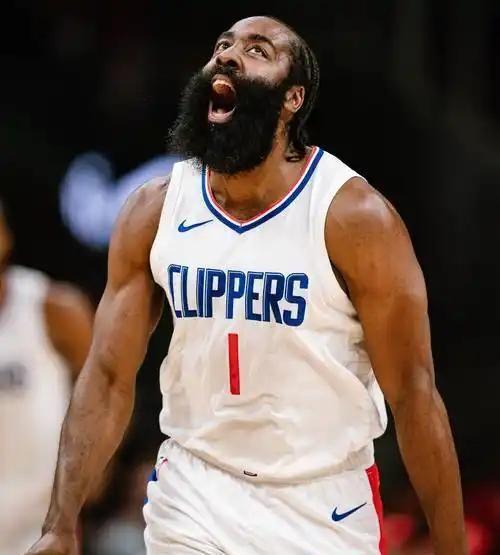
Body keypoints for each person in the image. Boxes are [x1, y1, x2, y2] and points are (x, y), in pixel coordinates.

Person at [27, 16, 467, 555]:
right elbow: (107, 375)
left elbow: (415, 394)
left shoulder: (354, 218)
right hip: (194, 492)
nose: (229, 55)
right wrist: (60, 522)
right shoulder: (155, 209)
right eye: (222, 46)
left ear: (292, 99)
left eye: (258, 51)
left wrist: (452, 546)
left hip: (321, 501)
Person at [0, 200, 93, 554]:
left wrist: (90, 479)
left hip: (39, 524)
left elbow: (106, 390)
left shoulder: (51, 307)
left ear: (4, 236)